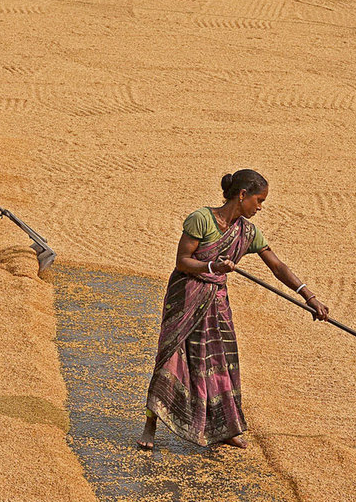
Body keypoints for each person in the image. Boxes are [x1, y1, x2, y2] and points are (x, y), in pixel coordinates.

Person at [138, 169, 329, 451]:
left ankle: (224, 428)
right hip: (186, 297)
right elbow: (182, 261)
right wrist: (212, 266)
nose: (260, 207)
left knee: (221, 360)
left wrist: (309, 297)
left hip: (216, 301)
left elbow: (277, 266)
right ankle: (150, 425)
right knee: (172, 357)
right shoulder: (201, 219)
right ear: (242, 195)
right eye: (259, 200)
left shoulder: (247, 232)